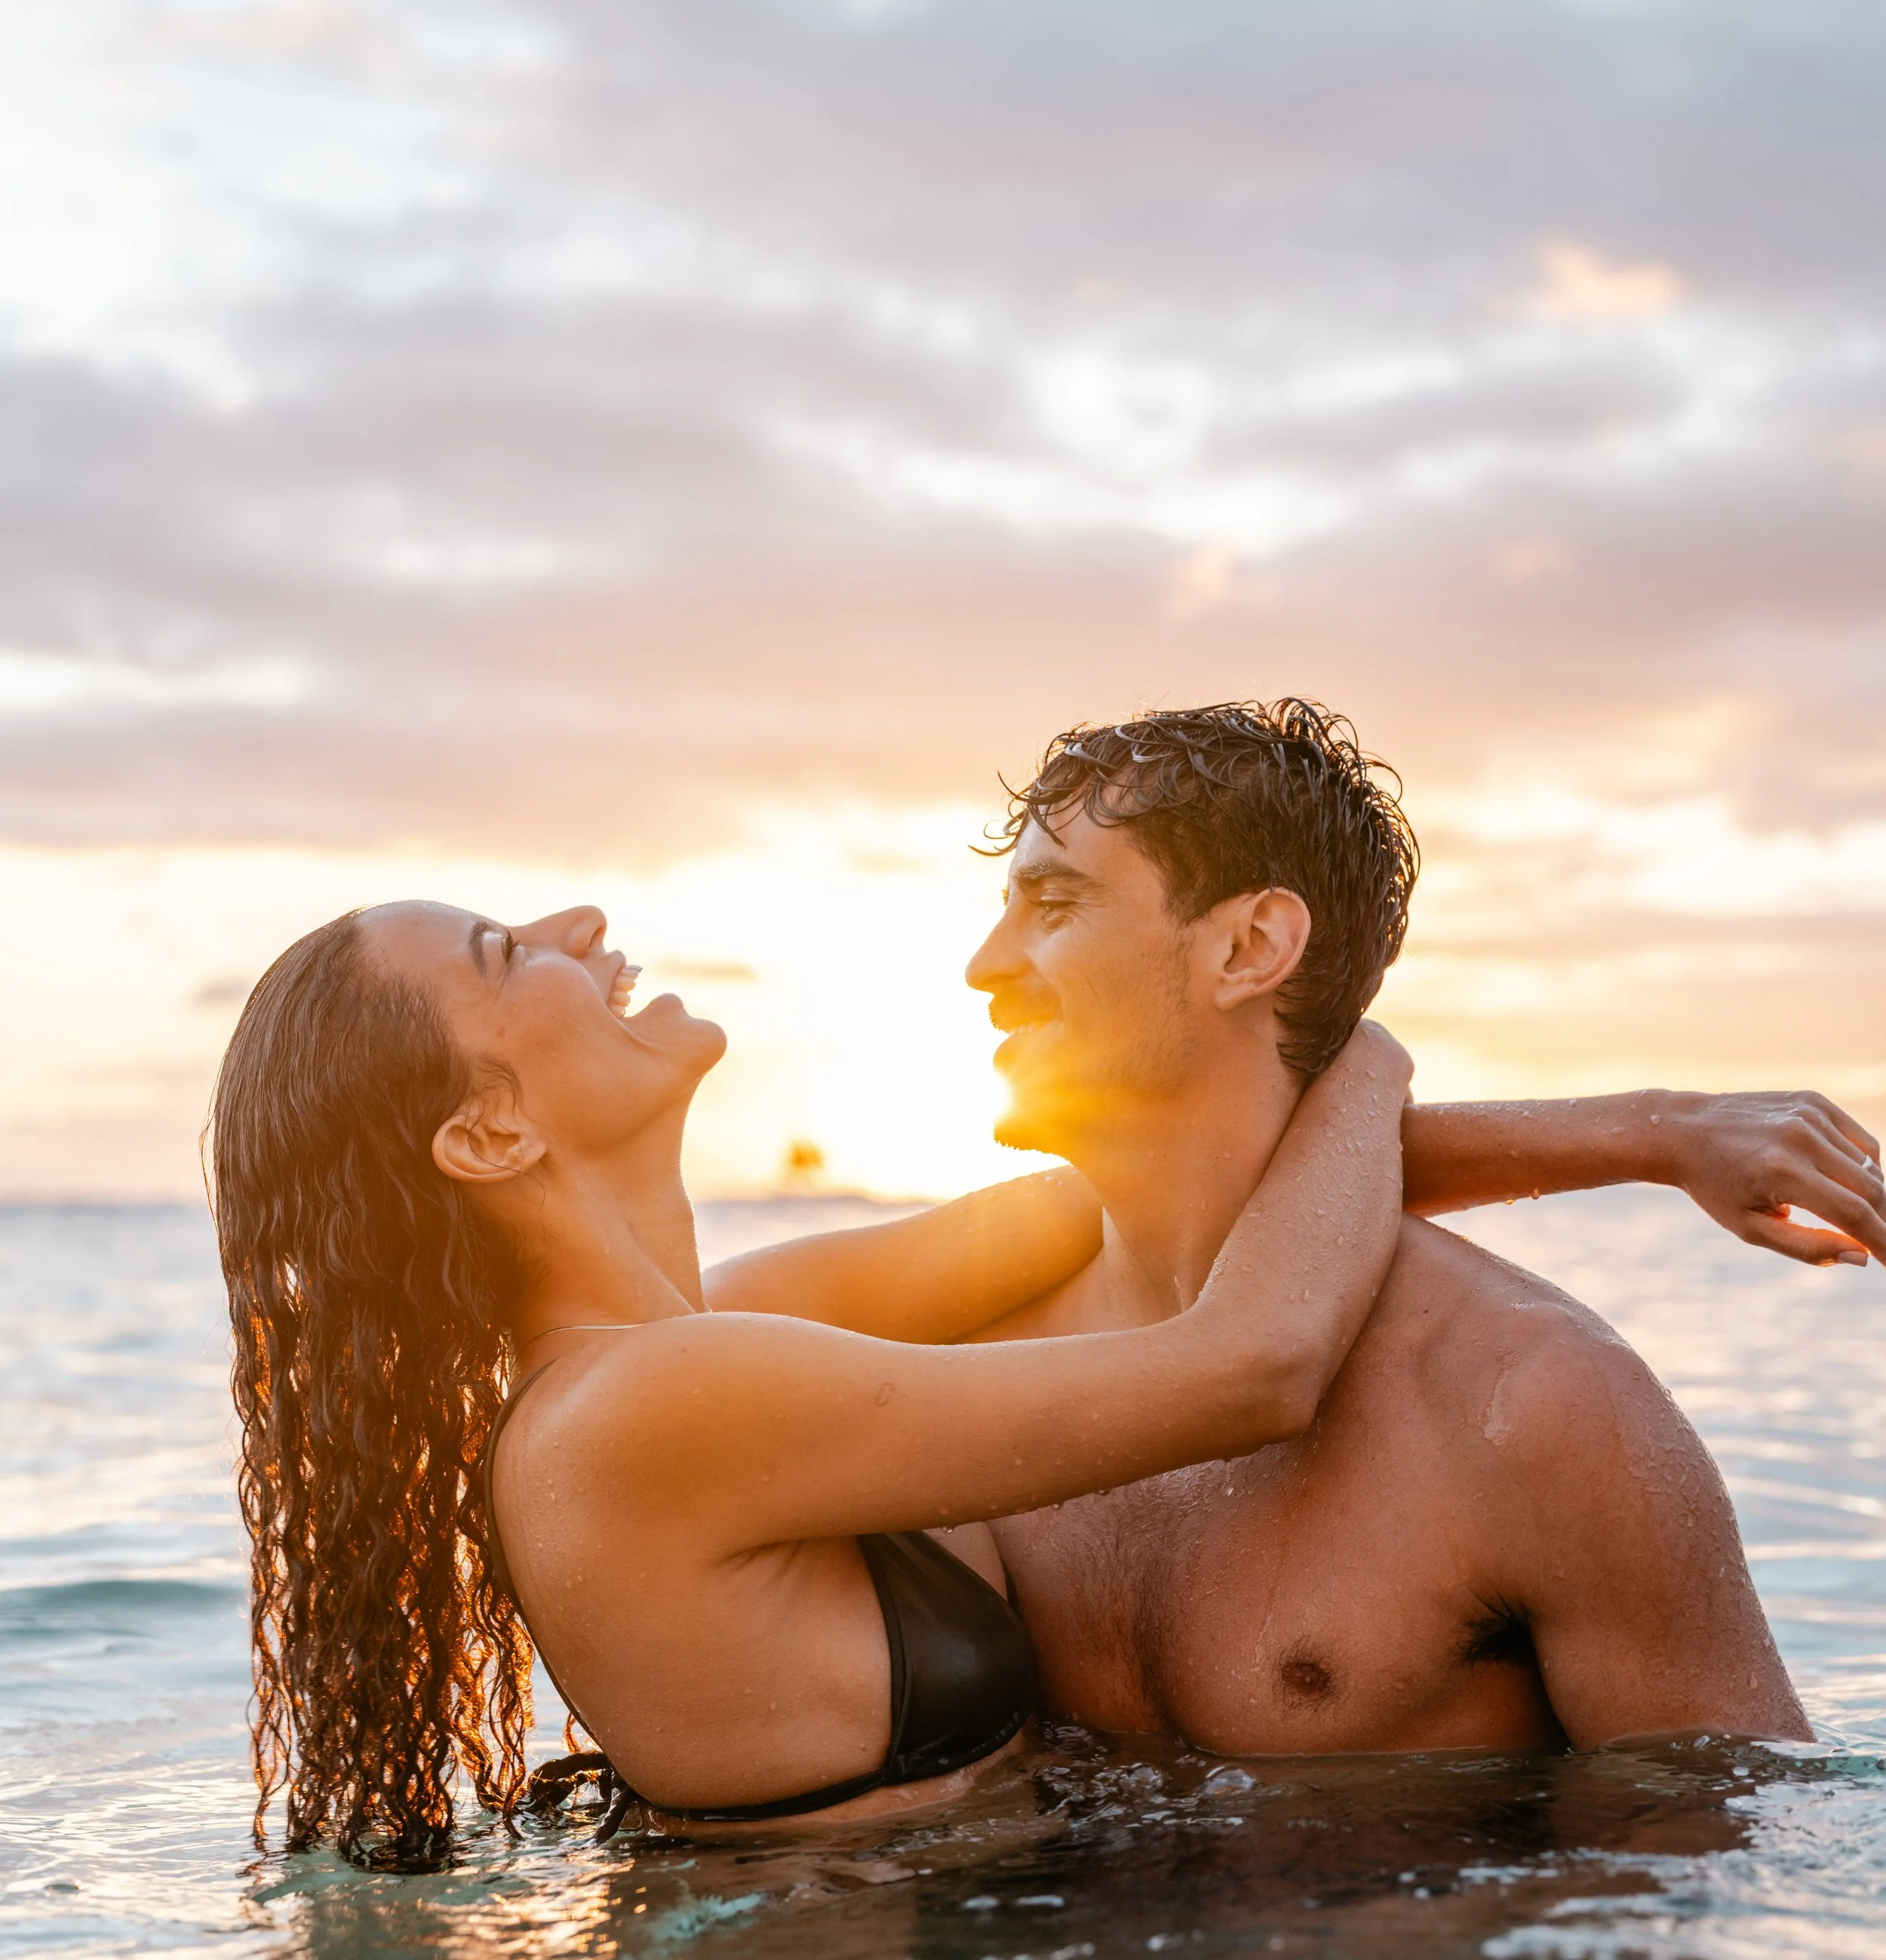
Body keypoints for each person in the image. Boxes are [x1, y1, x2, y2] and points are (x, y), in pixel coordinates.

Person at [717, 702, 1886, 1760]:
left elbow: (1708, 1888)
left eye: (1055, 902)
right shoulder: (955, 1370)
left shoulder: (1538, 1408)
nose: (985, 966)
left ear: (1249, 949)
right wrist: (1638, 1129)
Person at [208, 899, 1410, 1860]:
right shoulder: (639, 1412)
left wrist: (1603, 1138)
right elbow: (1254, 1366)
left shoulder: (723, 1331)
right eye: (505, 952)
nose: (577, 921)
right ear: (489, 1134)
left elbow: (1164, 1199)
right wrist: (1360, 1047)